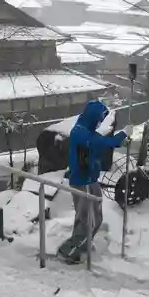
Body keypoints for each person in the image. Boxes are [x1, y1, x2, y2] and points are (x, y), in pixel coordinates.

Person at [57, 100, 132, 264]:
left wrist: (120, 140)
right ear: (93, 117)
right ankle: (67, 251)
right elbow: (100, 142)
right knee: (86, 220)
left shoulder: (88, 130)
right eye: (99, 119)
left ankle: (82, 244)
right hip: (81, 181)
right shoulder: (79, 132)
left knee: (96, 218)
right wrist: (122, 134)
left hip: (91, 179)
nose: (100, 123)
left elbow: (100, 142)